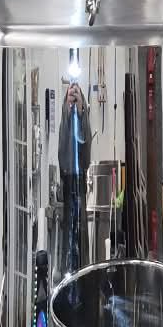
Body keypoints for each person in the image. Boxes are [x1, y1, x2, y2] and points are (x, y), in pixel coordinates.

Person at [56, 73, 90, 280]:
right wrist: (68, 110)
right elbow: (62, 151)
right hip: (68, 187)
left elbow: (85, 152)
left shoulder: (83, 120)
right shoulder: (65, 122)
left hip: (80, 186)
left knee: (81, 243)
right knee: (68, 245)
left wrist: (81, 110)